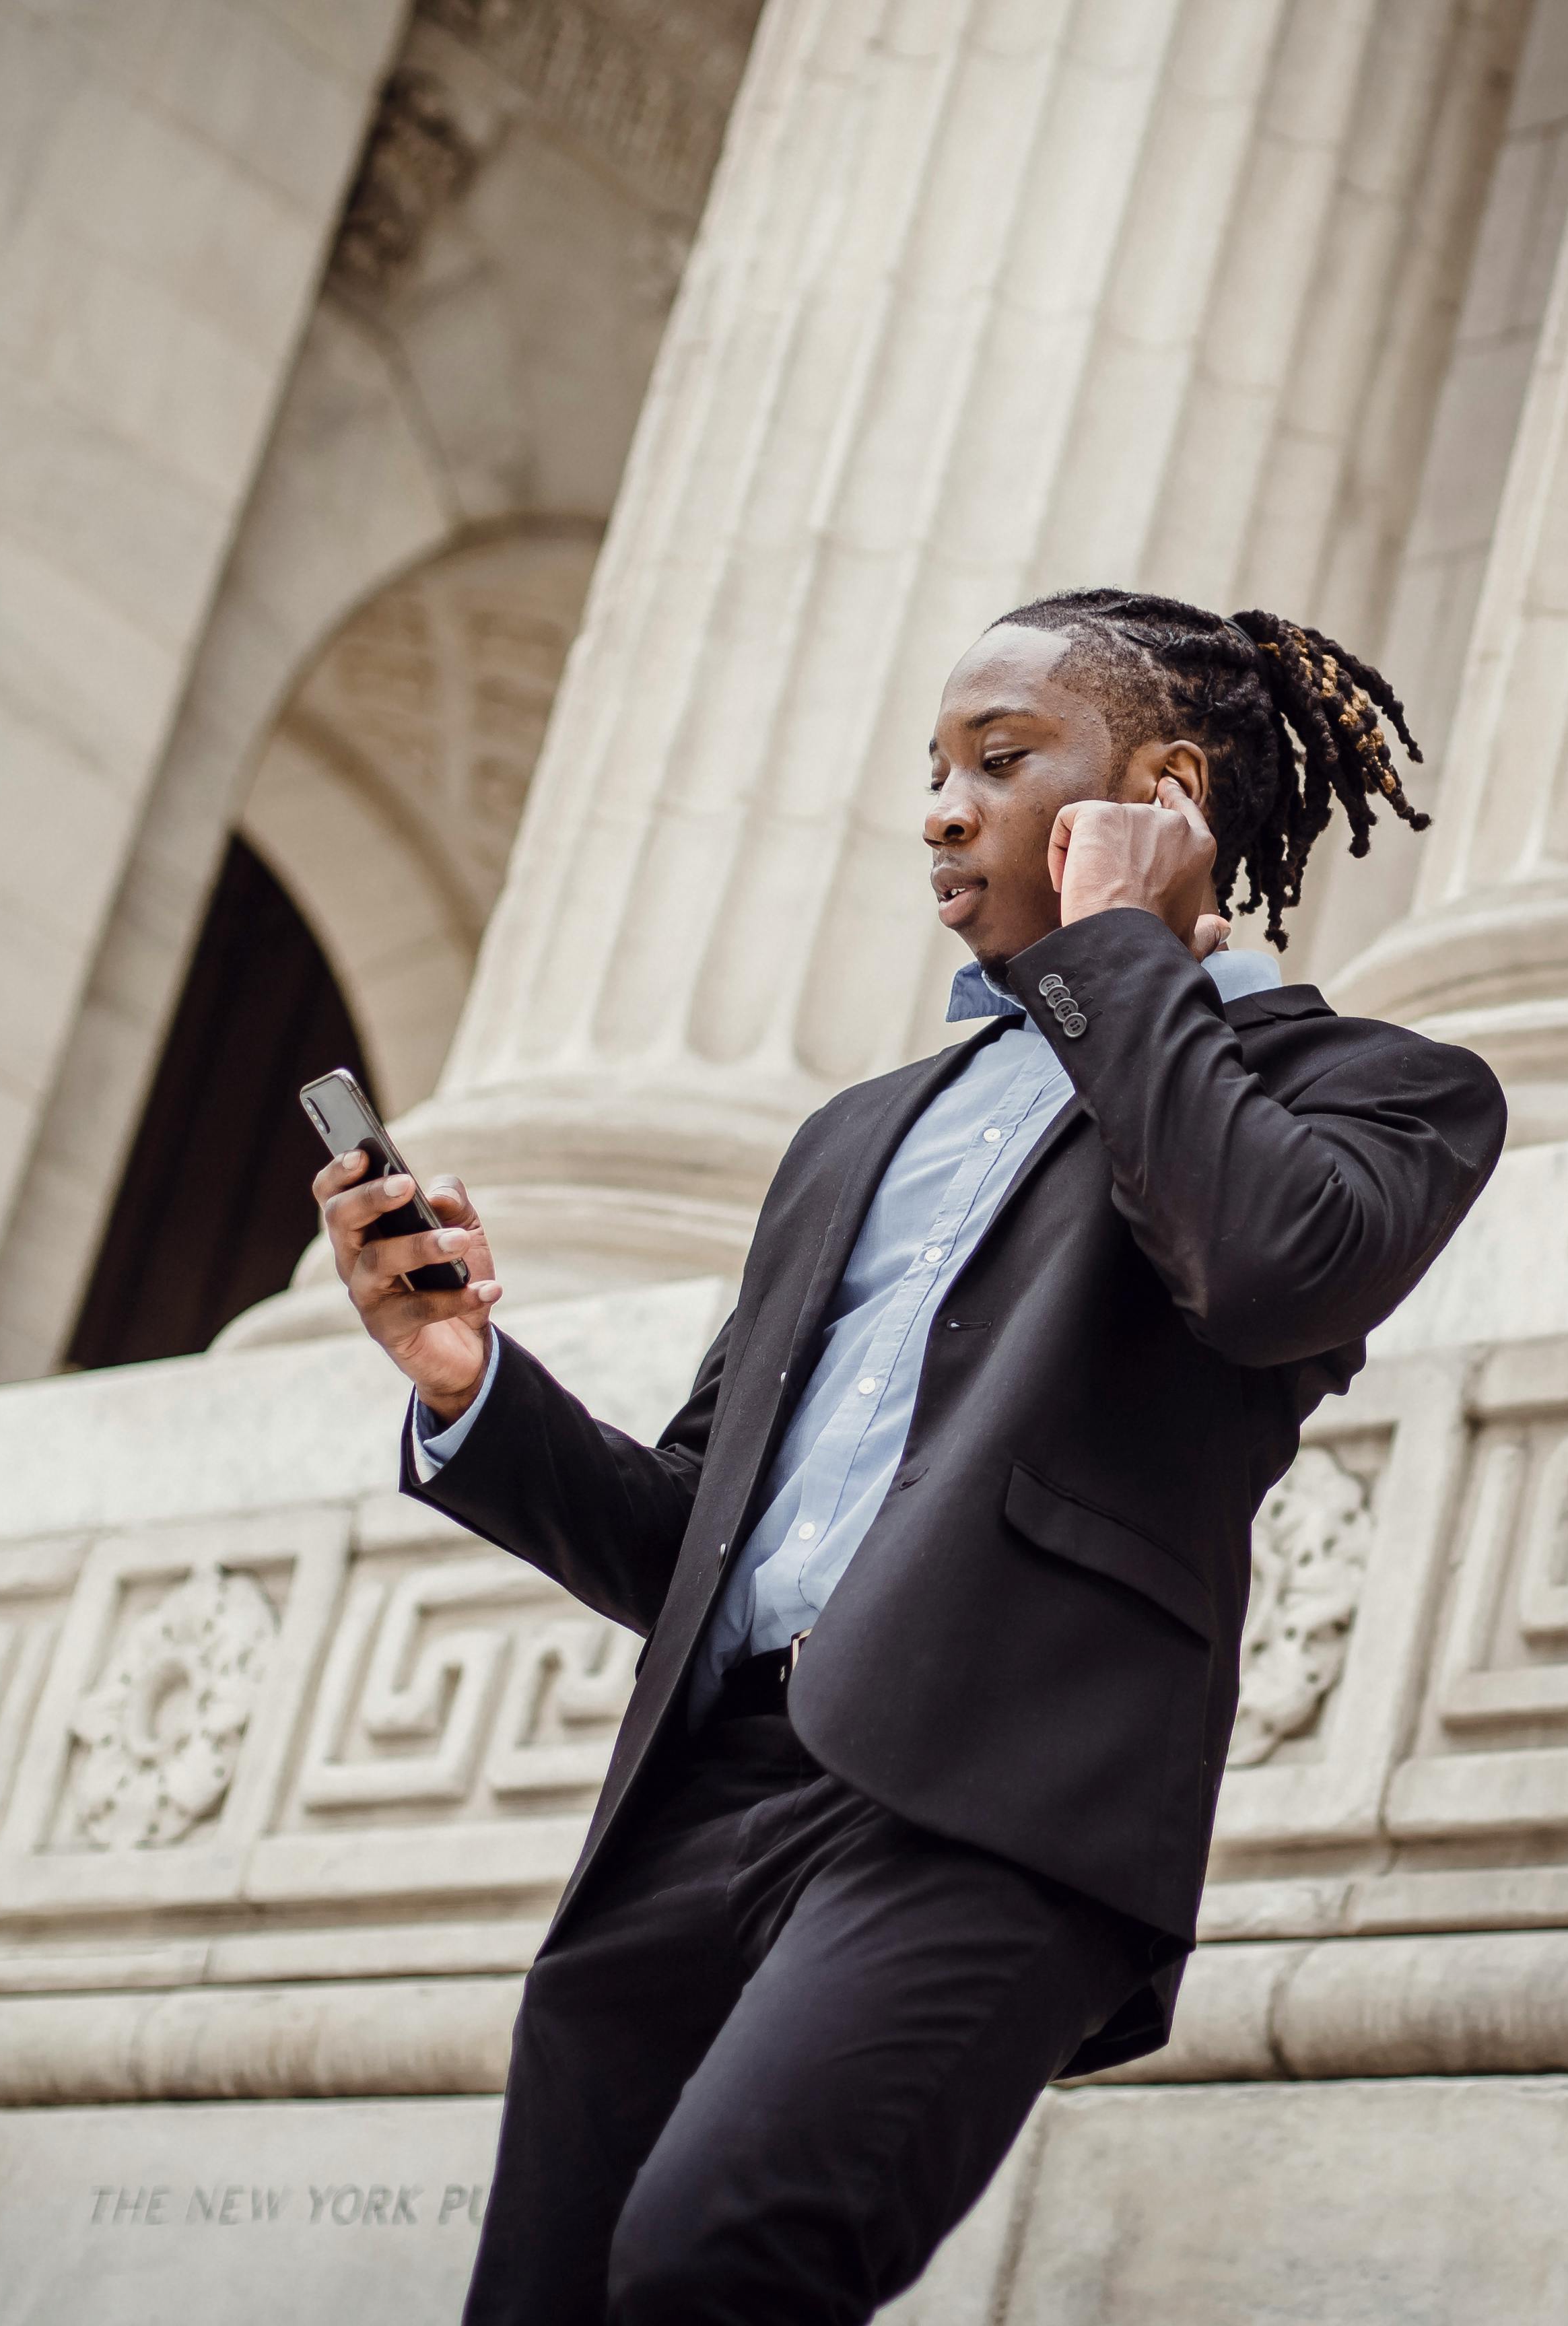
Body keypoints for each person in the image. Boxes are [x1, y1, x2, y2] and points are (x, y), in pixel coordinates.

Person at [312, 588, 1507, 2325]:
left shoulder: (1384, 1093)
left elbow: (1261, 1271)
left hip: (990, 1808)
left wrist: (1118, 950)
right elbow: (687, 1543)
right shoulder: (859, 1133)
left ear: (1162, 789)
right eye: (933, 771)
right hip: (701, 1798)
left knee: (725, 2260)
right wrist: (465, 1382)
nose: (942, 810)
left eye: (1000, 761)